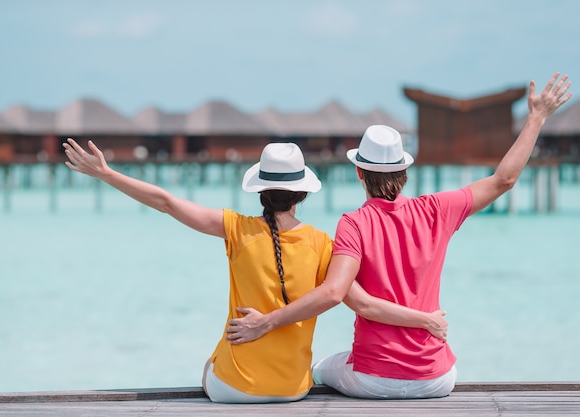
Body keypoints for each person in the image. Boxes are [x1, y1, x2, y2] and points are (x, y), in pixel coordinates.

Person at [226, 72, 572, 399]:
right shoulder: (437, 209)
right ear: (404, 171)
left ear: (359, 172)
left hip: (372, 379)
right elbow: (503, 180)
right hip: (437, 379)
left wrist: (267, 323)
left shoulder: (353, 224)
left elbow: (336, 293)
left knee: (320, 368)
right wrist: (537, 117)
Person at [62, 140, 446, 403]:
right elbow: (360, 302)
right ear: (304, 193)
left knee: (210, 365)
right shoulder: (322, 244)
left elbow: (166, 202)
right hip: (294, 388)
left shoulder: (235, 228)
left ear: (260, 191)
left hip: (234, 389)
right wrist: (424, 319)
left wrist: (108, 175)